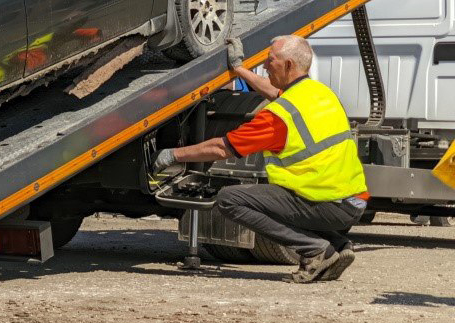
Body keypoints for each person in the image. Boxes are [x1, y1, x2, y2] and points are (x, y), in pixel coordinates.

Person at [152, 35, 368, 282]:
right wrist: (239, 69)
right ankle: (338, 245)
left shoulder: (277, 118)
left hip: (326, 201)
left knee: (230, 199)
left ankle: (314, 249)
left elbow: (222, 148)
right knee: (279, 197)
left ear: (288, 65)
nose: (265, 65)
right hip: (352, 202)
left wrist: (172, 154)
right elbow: (275, 92)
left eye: (270, 60)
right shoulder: (319, 93)